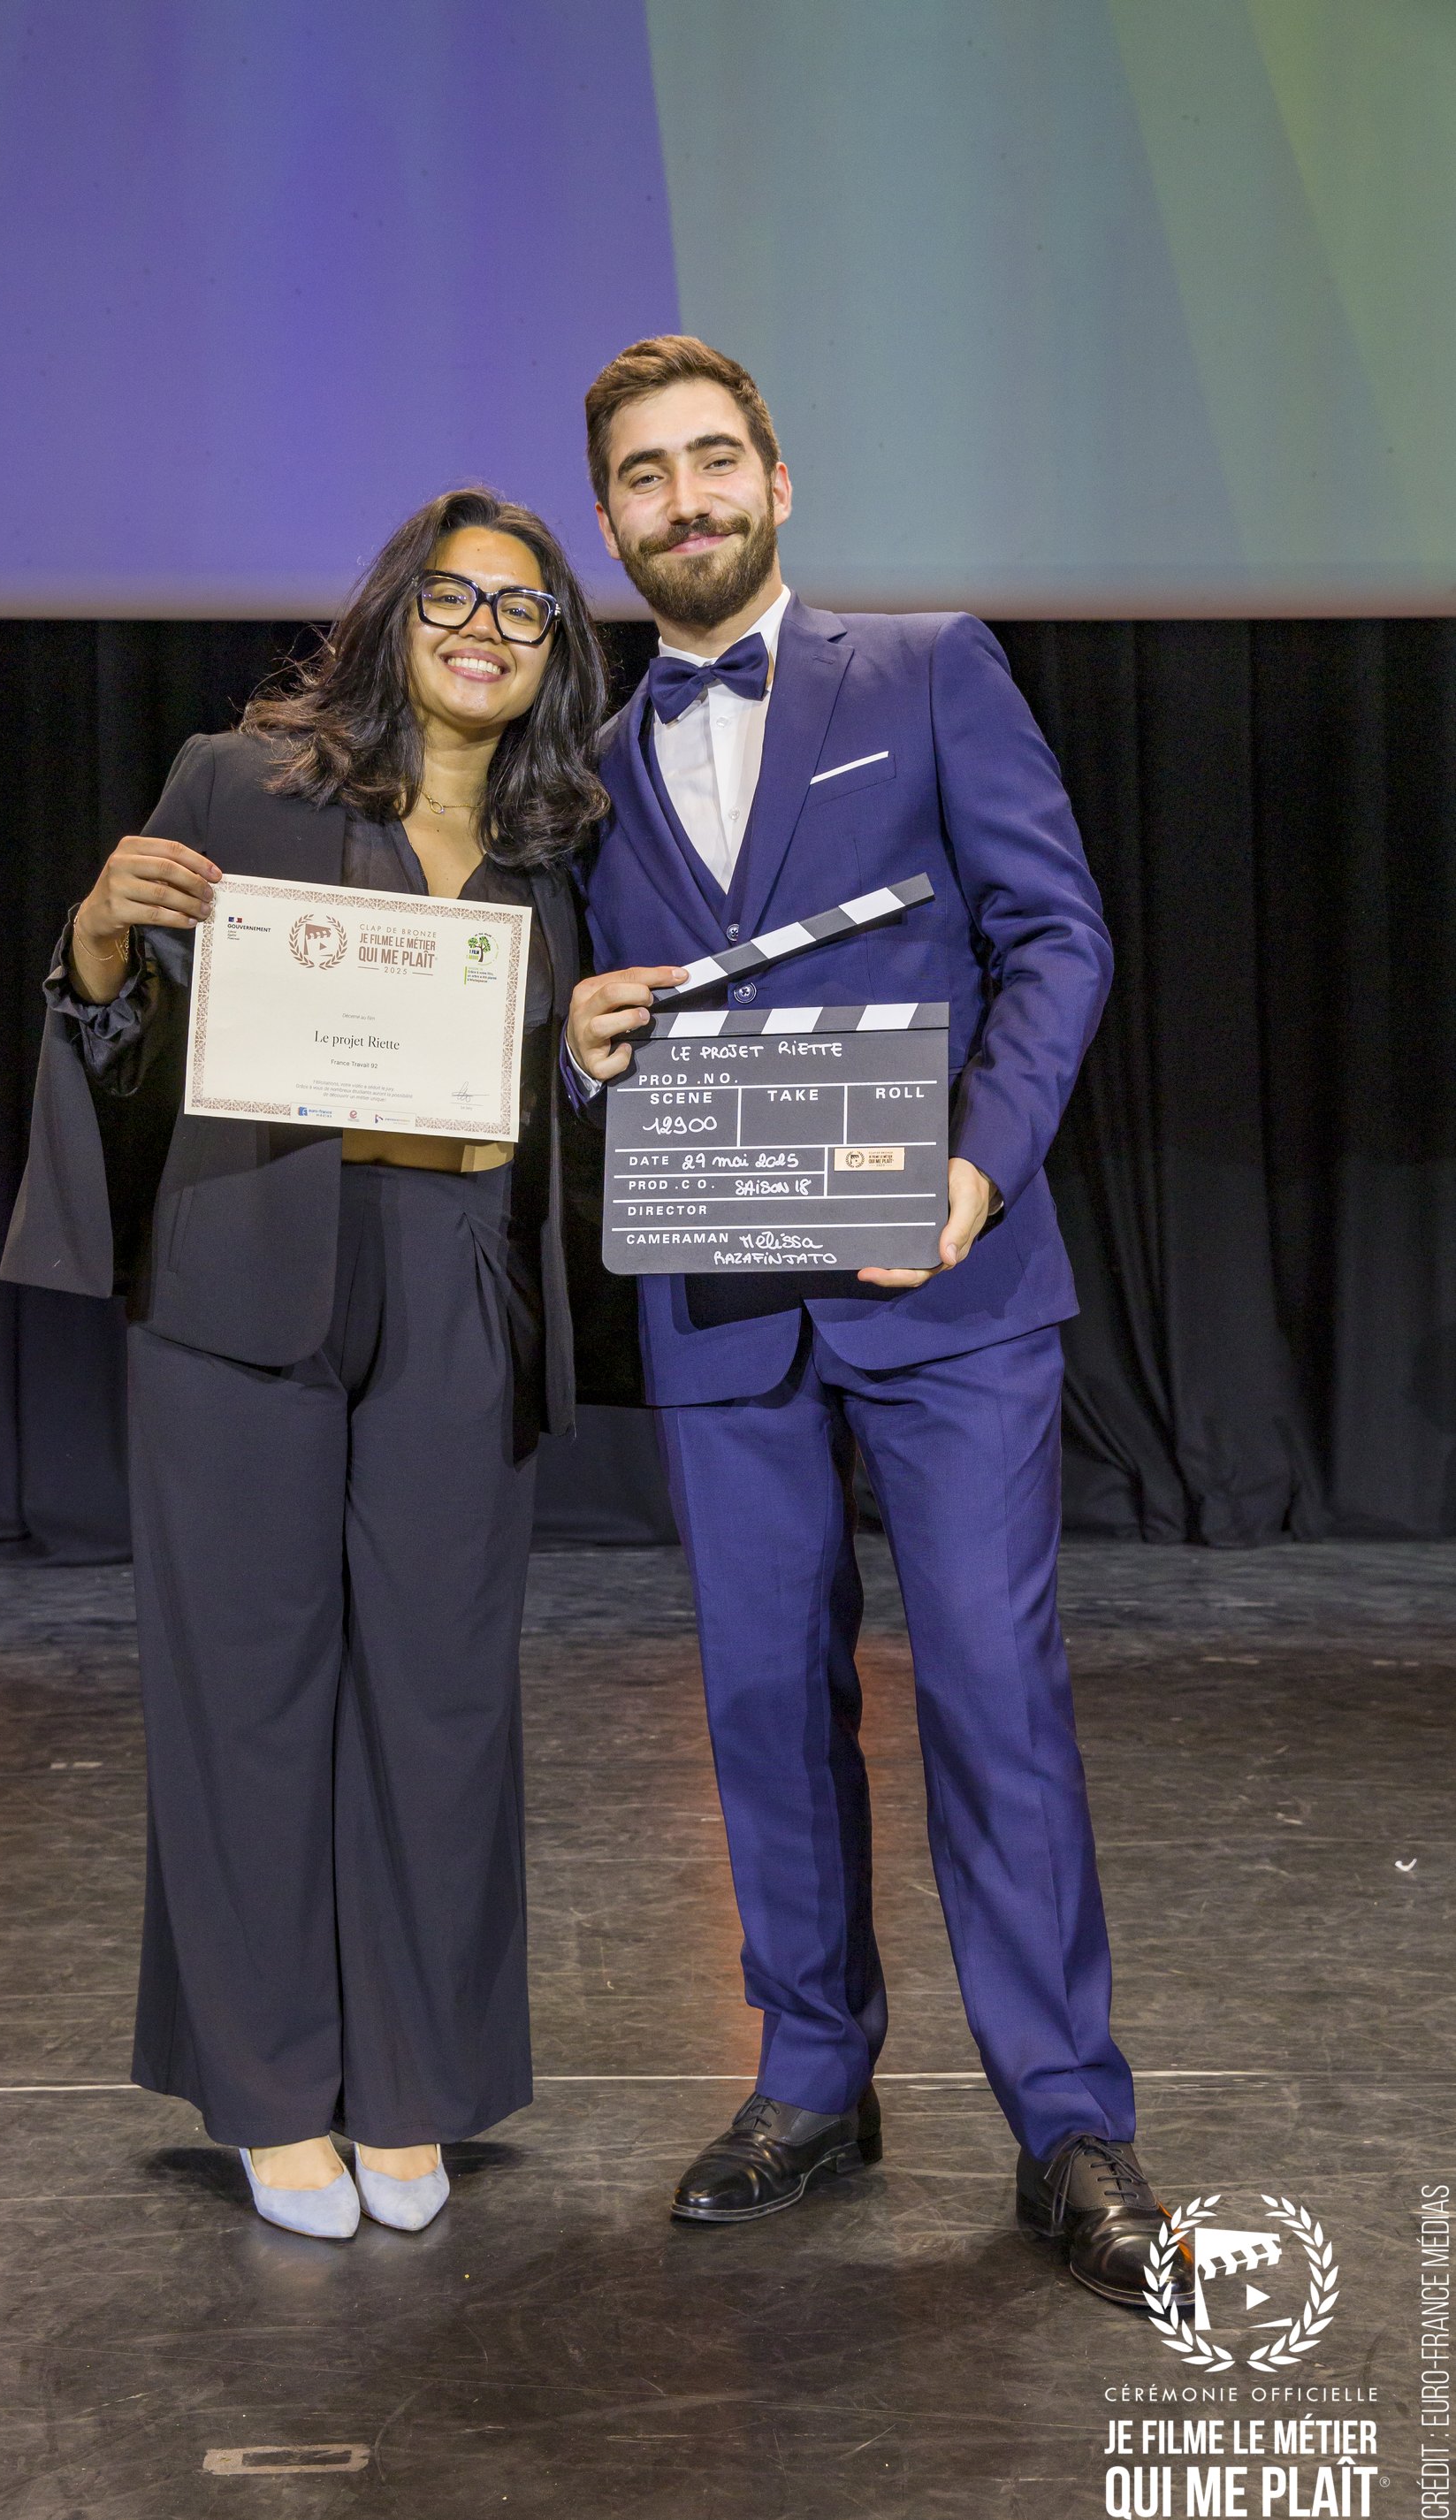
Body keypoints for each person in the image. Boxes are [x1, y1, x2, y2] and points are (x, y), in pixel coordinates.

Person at [564, 336, 1190, 2311]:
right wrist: (573, 1045)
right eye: (644, 474)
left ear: (777, 480)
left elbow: (1056, 933)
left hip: (949, 1285)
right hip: (722, 1300)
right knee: (762, 1697)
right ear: (609, 519)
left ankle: (1067, 2120)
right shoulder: (584, 767)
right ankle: (814, 2077)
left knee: (992, 1696)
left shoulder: (925, 669)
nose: (684, 498)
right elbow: (585, 1006)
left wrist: (978, 1169)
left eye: (712, 459)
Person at [2, 489, 606, 2240]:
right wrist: (98, 935)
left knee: (439, 1695)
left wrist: (580, 1057)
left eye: (523, 610)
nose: (484, 631)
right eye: (452, 599)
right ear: (393, 616)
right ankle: (272, 2094)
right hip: (245, 1263)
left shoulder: (561, 846)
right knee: (246, 1695)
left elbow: (558, 1091)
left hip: (457, 1279)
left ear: (556, 654)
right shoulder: (239, 783)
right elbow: (119, 1030)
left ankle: (410, 2082)